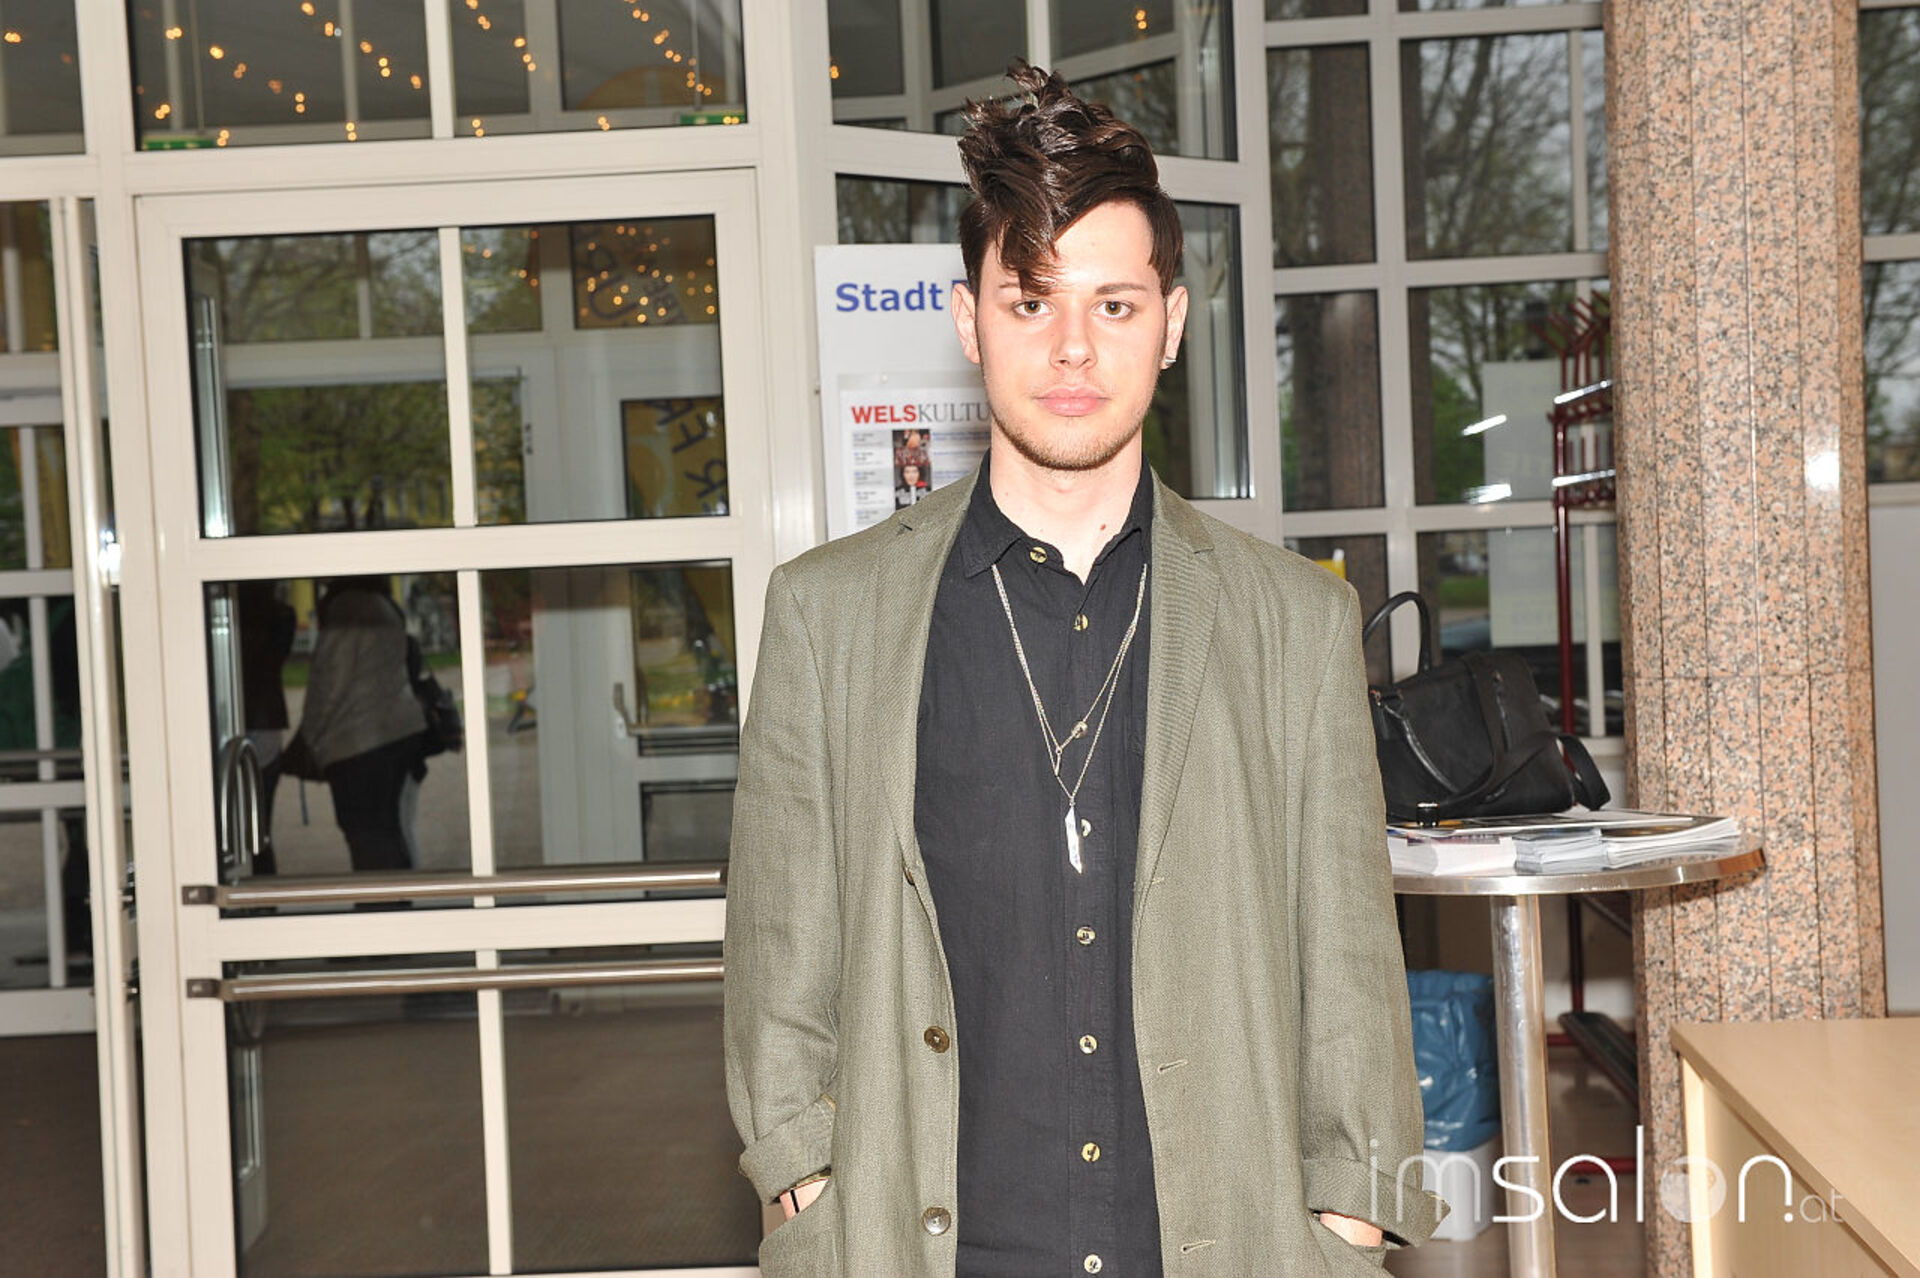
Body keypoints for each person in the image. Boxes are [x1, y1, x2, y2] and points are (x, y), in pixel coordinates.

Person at [724, 63, 1443, 1276]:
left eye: (1113, 305)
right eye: (1030, 302)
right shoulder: (828, 615)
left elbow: (1351, 960)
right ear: (970, 322)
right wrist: (802, 1176)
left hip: (1221, 1244)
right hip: (924, 1244)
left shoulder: (1294, 622)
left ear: (1171, 324)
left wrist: (1350, 1215)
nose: (1071, 349)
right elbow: (777, 944)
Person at [295, 577, 428, 875]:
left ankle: (379, 899)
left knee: (365, 834)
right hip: (395, 733)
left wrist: (310, 738)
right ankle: (396, 897)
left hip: (358, 742)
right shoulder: (383, 606)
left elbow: (330, 683)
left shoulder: (347, 610)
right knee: (387, 830)